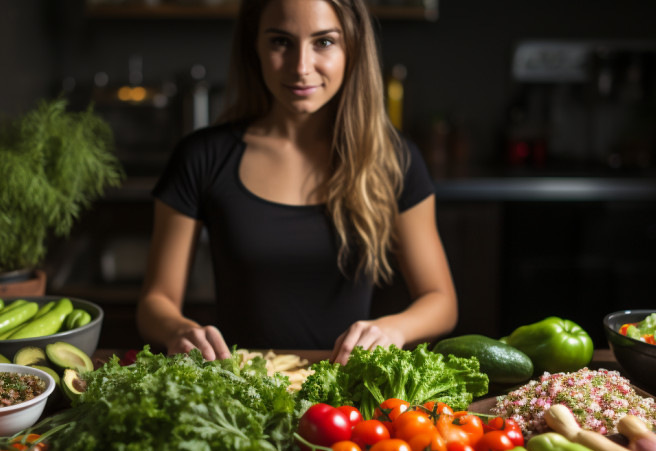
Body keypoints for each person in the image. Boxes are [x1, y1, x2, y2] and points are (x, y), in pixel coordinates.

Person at [136, 0, 457, 364]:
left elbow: (440, 300)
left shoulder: (394, 159)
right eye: (280, 42)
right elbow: (154, 302)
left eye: (324, 42)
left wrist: (394, 329)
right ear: (254, 46)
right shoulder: (201, 157)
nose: (301, 67)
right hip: (239, 394)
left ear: (352, 46)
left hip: (345, 402)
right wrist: (179, 329)